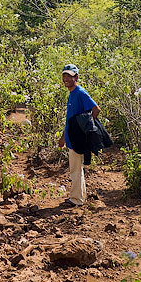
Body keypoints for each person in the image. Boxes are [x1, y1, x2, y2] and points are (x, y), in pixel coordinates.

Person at [58, 63, 100, 207]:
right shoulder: (72, 94)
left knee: (75, 169)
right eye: (64, 76)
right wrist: (64, 137)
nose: (66, 79)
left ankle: (76, 200)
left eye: (69, 76)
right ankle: (78, 197)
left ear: (76, 77)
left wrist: (87, 128)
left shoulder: (80, 92)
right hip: (71, 138)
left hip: (78, 139)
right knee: (76, 169)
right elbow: (70, 119)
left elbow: (95, 109)